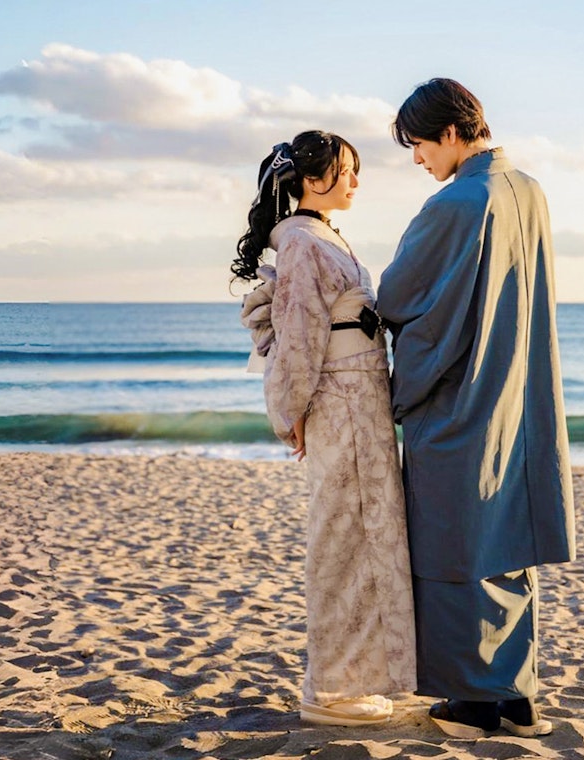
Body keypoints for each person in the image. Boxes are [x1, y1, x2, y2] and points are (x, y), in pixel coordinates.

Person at [375, 79, 576, 739]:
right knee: (506, 543)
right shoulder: (529, 190)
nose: (417, 159)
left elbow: (401, 294)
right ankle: (515, 695)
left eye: (420, 144)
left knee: (454, 545)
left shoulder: (458, 201)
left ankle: (474, 701)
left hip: (461, 401)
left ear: (453, 134)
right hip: (519, 393)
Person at [234, 130, 417, 726]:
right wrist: (293, 414)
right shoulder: (303, 244)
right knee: (341, 539)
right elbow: (301, 338)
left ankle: (358, 677)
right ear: (314, 181)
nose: (357, 183)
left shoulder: (323, 238)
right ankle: (330, 691)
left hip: (360, 399)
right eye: (348, 172)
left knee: (368, 537)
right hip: (340, 401)